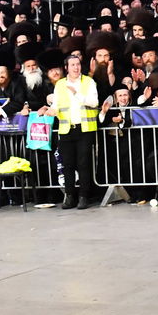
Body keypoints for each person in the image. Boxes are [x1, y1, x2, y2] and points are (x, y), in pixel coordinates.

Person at [52, 52, 98, 209]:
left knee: (83, 163)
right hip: (66, 129)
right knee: (68, 164)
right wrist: (49, 109)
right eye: (72, 65)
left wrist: (77, 93)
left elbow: (94, 102)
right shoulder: (60, 84)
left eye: (78, 64)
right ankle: (69, 196)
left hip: (84, 128)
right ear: (66, 68)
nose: (76, 67)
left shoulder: (88, 82)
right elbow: (56, 105)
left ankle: (84, 196)